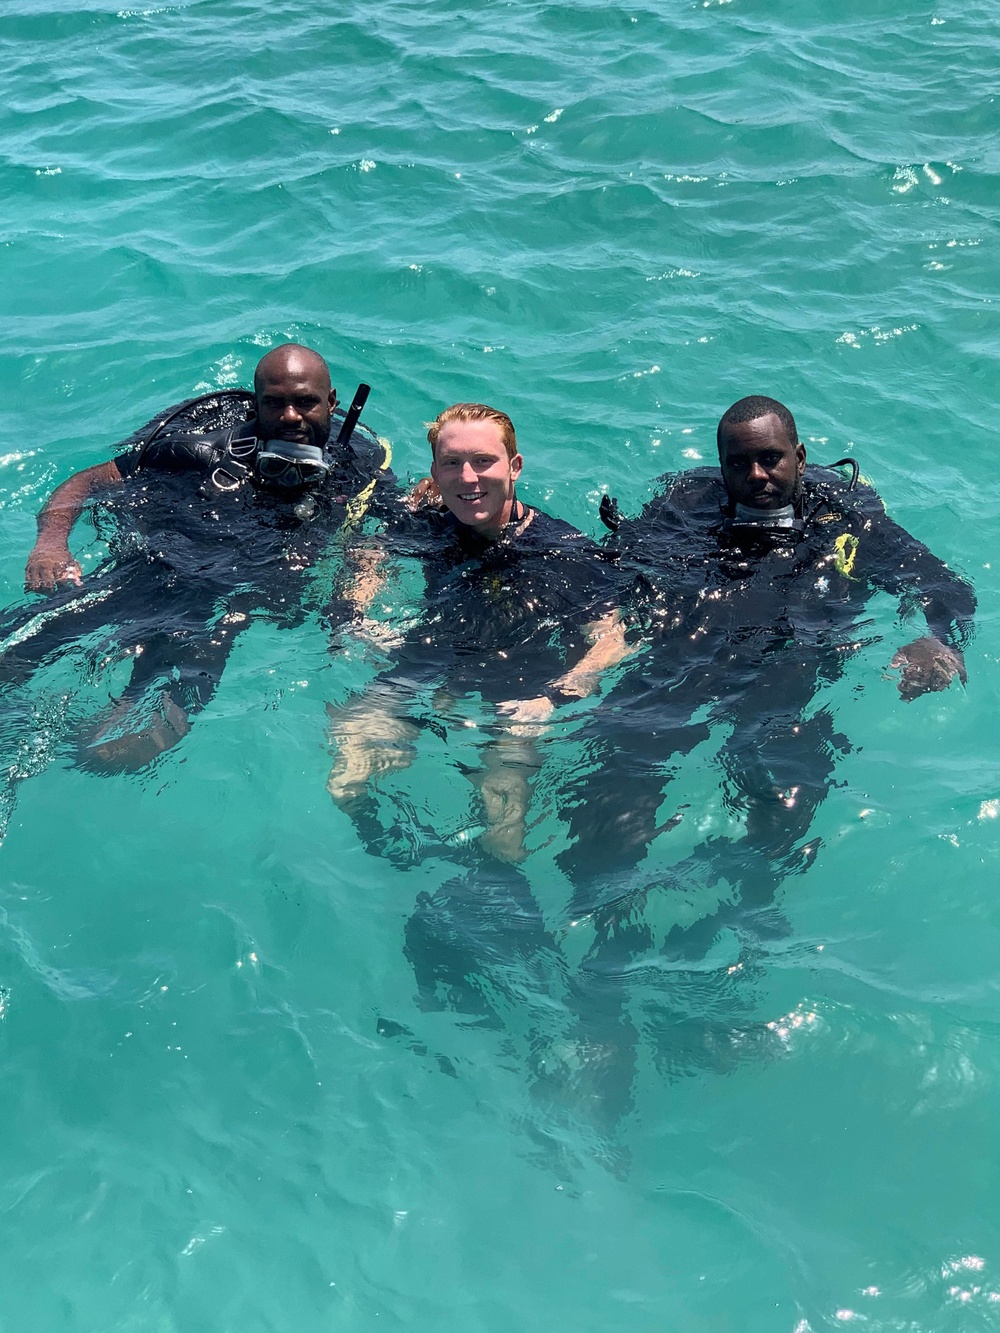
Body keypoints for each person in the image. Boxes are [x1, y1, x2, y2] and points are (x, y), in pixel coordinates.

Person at [4, 344, 392, 771]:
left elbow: (383, 534)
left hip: (234, 603)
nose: (290, 417)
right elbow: (89, 480)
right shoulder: (201, 452)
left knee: (122, 750)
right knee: (19, 650)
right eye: (274, 403)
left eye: (306, 402)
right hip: (159, 569)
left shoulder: (361, 459)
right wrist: (51, 544)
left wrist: (351, 605)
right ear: (256, 404)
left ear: (333, 403)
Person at [327, 401, 633, 865]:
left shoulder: (562, 552)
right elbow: (371, 553)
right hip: (436, 651)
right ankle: (390, 853)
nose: (468, 479)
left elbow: (614, 638)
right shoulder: (428, 521)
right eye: (453, 464)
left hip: (522, 676)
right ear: (436, 470)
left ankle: (499, 887)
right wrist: (355, 615)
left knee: (503, 811)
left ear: (515, 467)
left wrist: (553, 697)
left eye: (484, 461)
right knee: (346, 771)